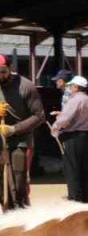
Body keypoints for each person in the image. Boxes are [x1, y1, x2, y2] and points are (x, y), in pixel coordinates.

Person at [0, 54, 45, 208]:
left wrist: (13, 129)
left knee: (18, 183)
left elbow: (39, 116)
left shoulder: (26, 86)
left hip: (19, 142)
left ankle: (20, 214)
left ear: (10, 69)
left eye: (2, 71)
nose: (0, 76)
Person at [50, 75, 88, 204]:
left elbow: (65, 118)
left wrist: (55, 127)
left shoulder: (74, 100)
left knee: (72, 167)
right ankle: (86, 196)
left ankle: (75, 197)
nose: (70, 88)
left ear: (76, 87)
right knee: (87, 167)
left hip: (74, 136)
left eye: (71, 86)